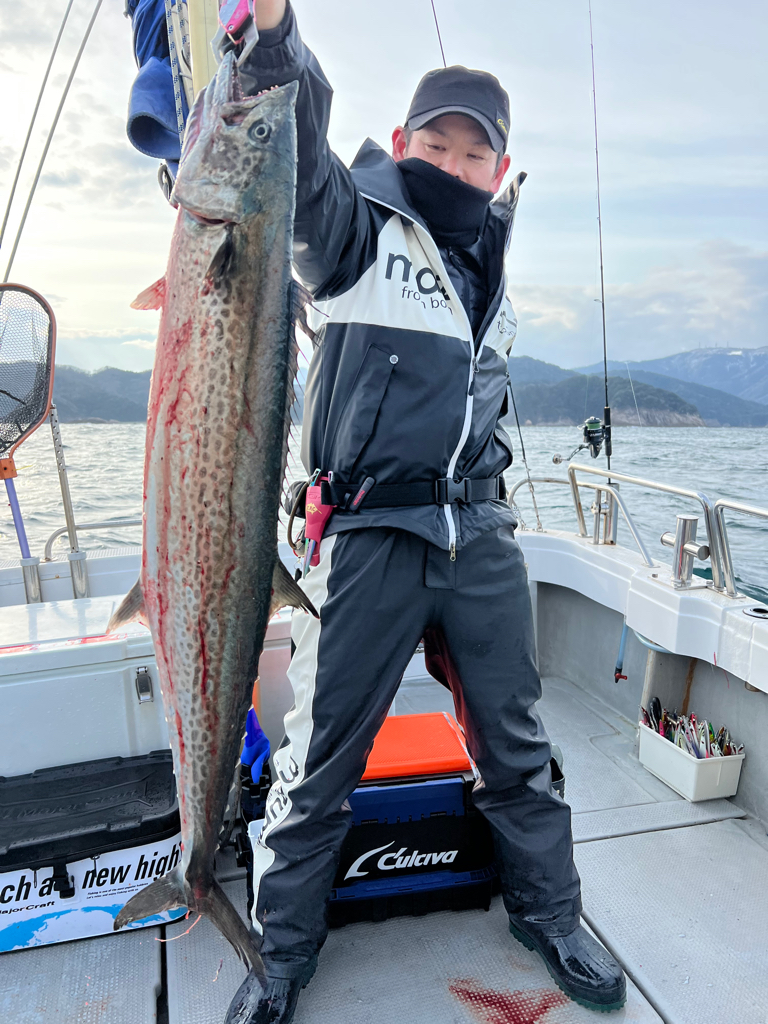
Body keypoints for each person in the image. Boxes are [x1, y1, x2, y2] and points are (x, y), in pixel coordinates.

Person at [226, 3, 627, 1021]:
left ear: (500, 168)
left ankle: (550, 909)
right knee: (324, 759)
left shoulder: (491, 259)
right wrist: (274, 36)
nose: (452, 164)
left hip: (481, 530)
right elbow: (299, 162)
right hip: (369, 533)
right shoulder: (353, 229)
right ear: (403, 144)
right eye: (435, 143)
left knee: (517, 743)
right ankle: (280, 957)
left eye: (473, 152)